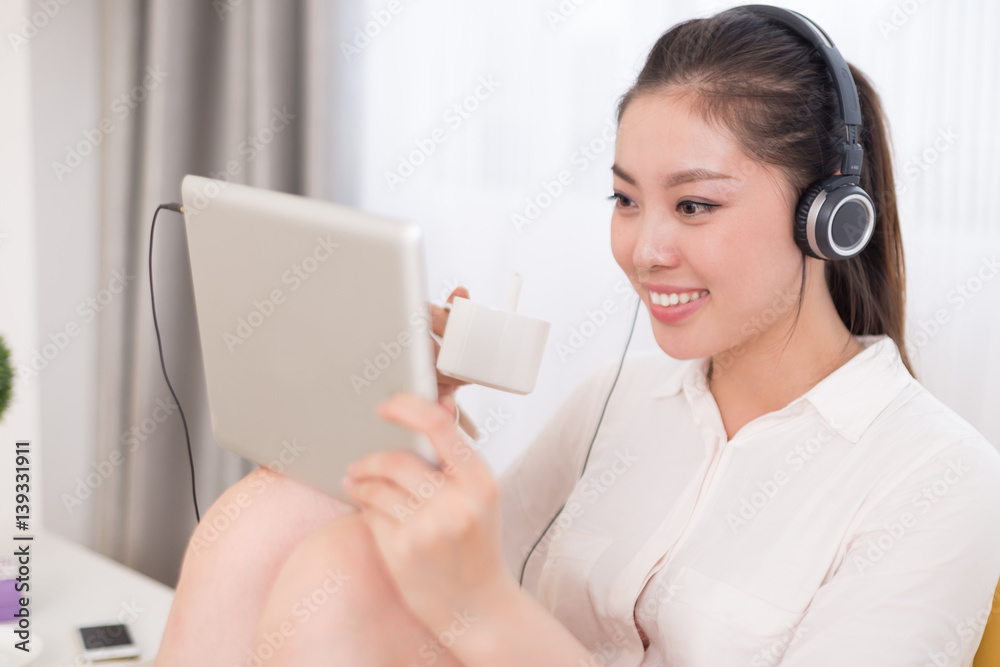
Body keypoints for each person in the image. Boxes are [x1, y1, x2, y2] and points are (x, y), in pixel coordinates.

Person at [154, 6, 1000, 666]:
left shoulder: (939, 478)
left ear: (829, 219)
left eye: (694, 204)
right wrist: (403, 411)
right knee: (285, 507)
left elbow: (477, 601)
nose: (645, 248)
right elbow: (441, 570)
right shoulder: (614, 403)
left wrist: (480, 606)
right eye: (626, 199)